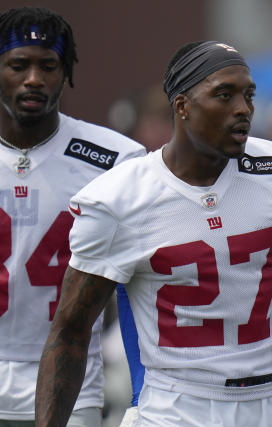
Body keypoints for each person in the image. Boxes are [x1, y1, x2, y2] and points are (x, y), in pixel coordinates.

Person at [34, 40, 272, 427]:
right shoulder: (120, 198)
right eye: (224, 95)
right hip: (179, 410)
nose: (243, 108)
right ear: (182, 106)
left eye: (248, 95)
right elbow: (71, 331)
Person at [0, 7, 146, 427]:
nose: (33, 78)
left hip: (69, 378)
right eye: (18, 65)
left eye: (48, 65)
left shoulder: (115, 159)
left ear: (66, 72)